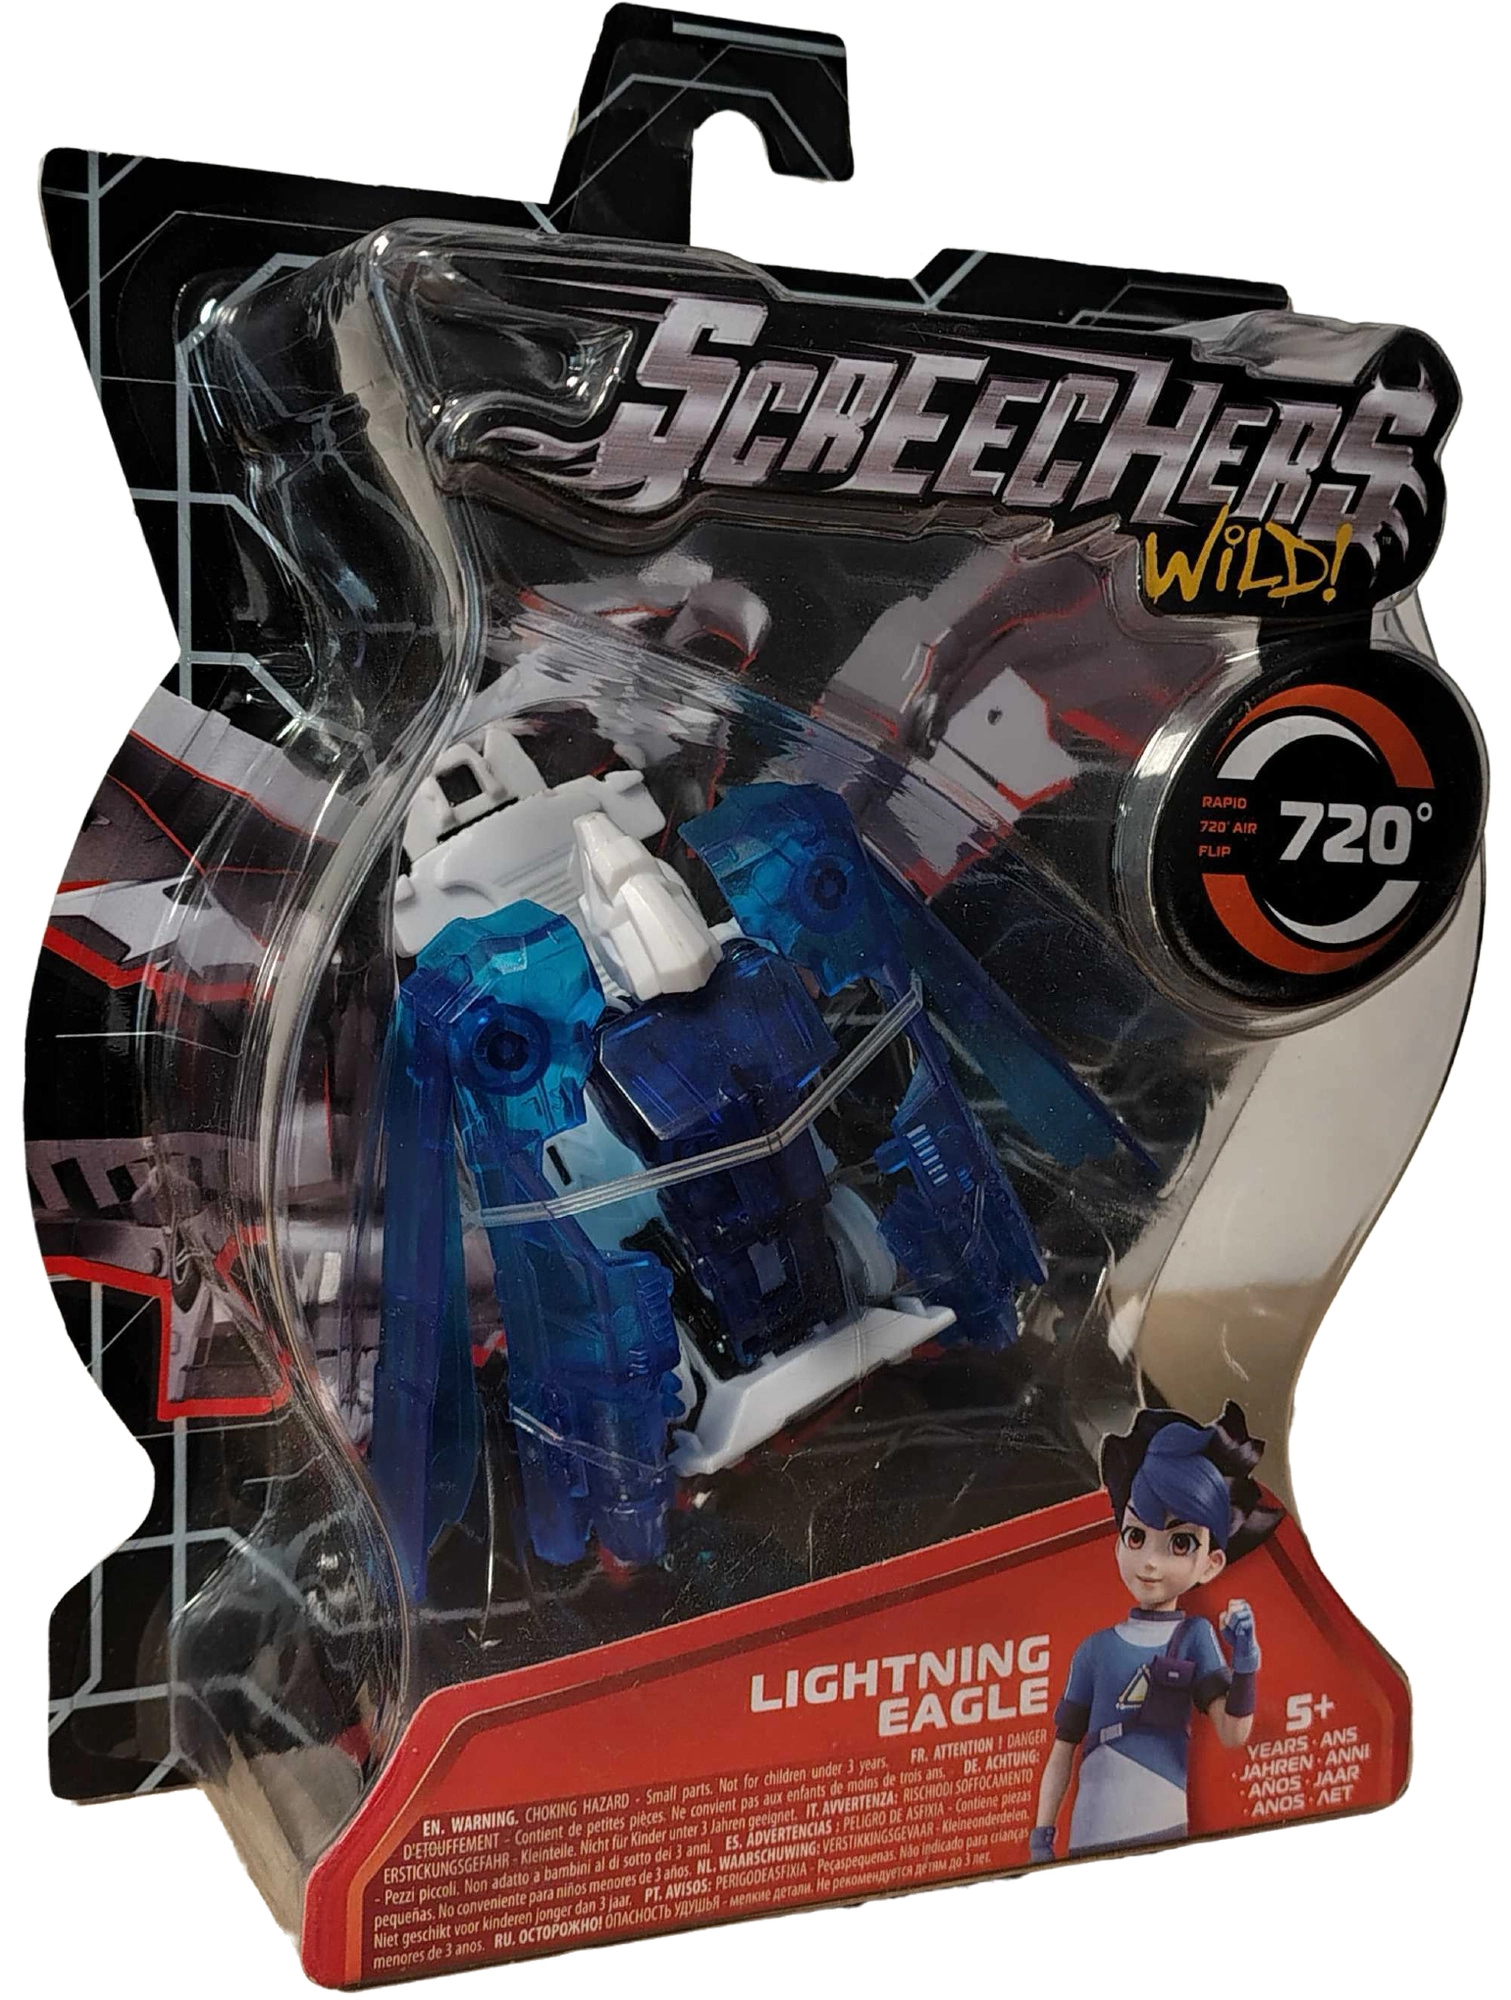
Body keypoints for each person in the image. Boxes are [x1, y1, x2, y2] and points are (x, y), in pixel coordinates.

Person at [1030, 1402, 1280, 1860]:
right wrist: (1041, 1835)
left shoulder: (1195, 1637)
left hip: (1162, 1823)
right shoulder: (1094, 1651)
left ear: (1211, 1563)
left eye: (1179, 1543)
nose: (1150, 1561)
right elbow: (1062, 1750)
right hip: (1090, 1828)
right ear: (1118, 1542)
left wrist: (1246, 1663)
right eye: (1136, 1536)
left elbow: (1232, 1732)